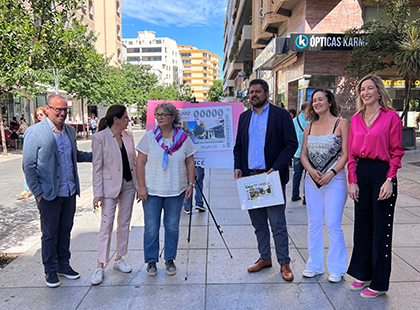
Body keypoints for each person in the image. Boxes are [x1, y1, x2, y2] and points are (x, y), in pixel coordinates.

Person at [22, 95, 92, 288]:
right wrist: (38, 193)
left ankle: (64, 265)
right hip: (49, 194)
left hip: (69, 191)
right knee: (50, 233)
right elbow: (28, 165)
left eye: (65, 110)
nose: (61, 113)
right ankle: (50, 270)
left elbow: (74, 155)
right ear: (47, 109)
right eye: (57, 110)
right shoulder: (35, 132)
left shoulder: (69, 131)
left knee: (65, 230)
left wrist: (97, 156)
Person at [233, 79, 298, 281]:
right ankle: (264, 257)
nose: (254, 95)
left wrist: (275, 168)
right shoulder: (244, 117)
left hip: (272, 178)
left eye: (257, 92)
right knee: (258, 222)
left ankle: (284, 262)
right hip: (251, 178)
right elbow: (239, 146)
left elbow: (291, 144)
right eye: (251, 92)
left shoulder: (280, 115)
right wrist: (238, 167)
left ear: (267, 93)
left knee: (277, 223)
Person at [347, 74, 405, 298]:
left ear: (379, 92)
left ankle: (379, 283)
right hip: (362, 172)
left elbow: (397, 152)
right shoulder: (356, 119)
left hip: (383, 173)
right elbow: (351, 154)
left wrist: (390, 179)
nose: (365, 92)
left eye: (370, 88)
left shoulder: (391, 118)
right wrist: (352, 180)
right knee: (362, 226)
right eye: (362, 89)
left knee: (381, 229)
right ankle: (363, 273)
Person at [136, 103, 196, 277]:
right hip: (152, 191)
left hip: (175, 191)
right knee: (151, 228)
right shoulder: (149, 138)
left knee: (172, 227)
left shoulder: (184, 138)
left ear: (172, 117)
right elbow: (140, 162)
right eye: (157, 114)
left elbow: (190, 162)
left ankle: (170, 259)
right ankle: (151, 261)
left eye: (163, 114)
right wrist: (141, 187)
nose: (159, 117)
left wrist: (190, 184)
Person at [299, 89, 350, 283]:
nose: (316, 103)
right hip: (312, 182)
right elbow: (303, 153)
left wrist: (332, 173)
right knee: (313, 224)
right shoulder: (308, 127)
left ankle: (337, 268)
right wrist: (311, 172)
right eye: (314, 101)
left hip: (335, 181)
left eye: (320, 99)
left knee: (333, 224)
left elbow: (346, 153)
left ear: (330, 102)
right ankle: (314, 265)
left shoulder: (341, 123)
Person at [90, 105, 138, 285]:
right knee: (106, 225)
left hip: (128, 184)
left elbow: (133, 162)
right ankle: (99, 265)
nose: (128, 120)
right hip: (109, 187)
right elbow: (97, 167)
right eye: (126, 117)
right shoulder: (100, 138)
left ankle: (119, 258)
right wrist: (97, 193)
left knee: (124, 223)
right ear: (116, 119)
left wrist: (139, 186)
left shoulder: (129, 136)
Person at [16, 107, 47, 199]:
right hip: (35, 157)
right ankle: (27, 189)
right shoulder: (33, 129)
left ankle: (27, 190)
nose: (39, 116)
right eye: (37, 115)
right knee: (30, 169)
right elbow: (28, 163)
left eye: (41, 114)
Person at [291, 102, 310, 203]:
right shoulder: (310, 121)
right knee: (308, 176)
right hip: (308, 153)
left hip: (297, 152)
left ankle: (295, 195)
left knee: (296, 175)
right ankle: (306, 198)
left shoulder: (294, 121)